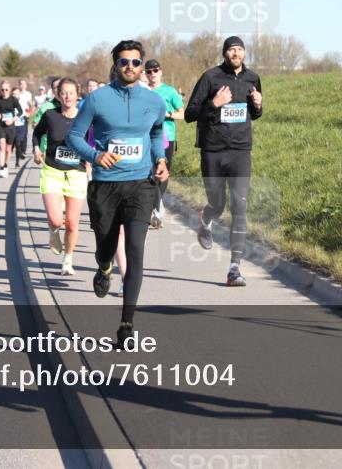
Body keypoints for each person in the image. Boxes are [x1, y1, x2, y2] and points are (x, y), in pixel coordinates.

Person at [67, 40, 169, 348]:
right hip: (105, 186)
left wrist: (160, 158)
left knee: (136, 247)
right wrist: (96, 156)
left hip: (140, 185)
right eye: (124, 62)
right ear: (115, 65)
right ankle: (103, 266)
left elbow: (155, 133)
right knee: (105, 247)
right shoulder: (97, 100)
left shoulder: (154, 102)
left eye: (136, 62)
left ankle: (127, 323)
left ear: (142, 65)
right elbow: (74, 136)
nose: (130, 67)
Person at [184, 36, 263, 287]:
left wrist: (259, 107)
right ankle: (206, 219)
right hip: (213, 151)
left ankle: (234, 268)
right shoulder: (211, 77)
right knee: (217, 203)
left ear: (244, 53)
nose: (236, 53)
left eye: (239, 49)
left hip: (240, 150)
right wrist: (214, 103)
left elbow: (254, 113)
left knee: (240, 205)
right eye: (231, 49)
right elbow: (189, 114)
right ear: (224, 53)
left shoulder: (253, 78)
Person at [33, 77, 90, 275]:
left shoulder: (85, 117)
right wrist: (36, 149)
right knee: (57, 220)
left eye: (71, 93)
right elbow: (37, 133)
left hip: (76, 173)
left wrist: (91, 162)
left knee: (73, 222)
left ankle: (68, 260)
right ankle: (53, 231)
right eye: (64, 92)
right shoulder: (50, 115)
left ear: (77, 95)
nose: (67, 96)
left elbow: (92, 143)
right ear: (58, 95)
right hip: (52, 172)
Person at [144, 59, 184, 229]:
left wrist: (167, 114)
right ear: (145, 74)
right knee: (148, 172)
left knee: (163, 172)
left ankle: (157, 204)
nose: (152, 74)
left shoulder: (170, 91)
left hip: (166, 136)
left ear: (161, 72)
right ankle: (152, 205)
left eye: (155, 70)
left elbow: (182, 114)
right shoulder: (143, 91)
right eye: (149, 71)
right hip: (145, 136)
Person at [0, 80, 21, 178]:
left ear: (9, 90)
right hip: (1, 126)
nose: (4, 91)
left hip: (11, 127)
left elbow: (20, 112)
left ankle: (6, 165)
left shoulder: (13, 100)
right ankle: (1, 168)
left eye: (6, 89)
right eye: (2, 89)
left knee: (8, 149)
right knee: (2, 146)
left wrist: (12, 120)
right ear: (0, 90)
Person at [12, 82, 33, 164]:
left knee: (19, 140)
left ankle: (21, 154)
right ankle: (18, 157)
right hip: (13, 124)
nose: (15, 95)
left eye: (16, 94)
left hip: (22, 122)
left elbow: (30, 107)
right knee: (15, 143)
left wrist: (29, 113)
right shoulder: (10, 101)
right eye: (13, 94)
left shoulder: (23, 100)